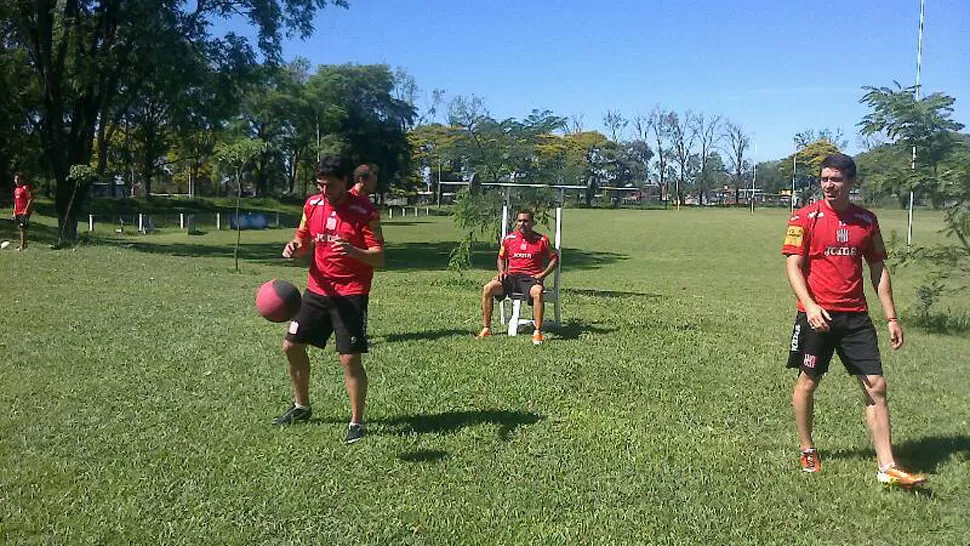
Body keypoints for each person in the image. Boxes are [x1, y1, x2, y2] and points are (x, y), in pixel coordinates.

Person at [782, 153, 926, 487]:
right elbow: (793, 266)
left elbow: (878, 269)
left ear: (851, 182)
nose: (828, 185)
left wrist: (891, 316)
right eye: (824, 179)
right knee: (808, 382)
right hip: (816, 316)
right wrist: (810, 306)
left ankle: (886, 465)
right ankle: (807, 448)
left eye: (836, 179)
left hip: (856, 317)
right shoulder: (804, 218)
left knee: (877, 385)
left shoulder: (866, 221)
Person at [276, 155, 385, 444]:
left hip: (351, 293)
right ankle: (302, 406)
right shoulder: (312, 205)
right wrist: (293, 248)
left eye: (332, 186)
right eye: (321, 185)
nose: (326, 191)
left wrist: (353, 251)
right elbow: (303, 242)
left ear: (346, 182)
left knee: (349, 358)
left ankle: (357, 422)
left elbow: (379, 257)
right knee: (290, 346)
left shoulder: (365, 211)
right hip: (317, 289)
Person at [476, 209, 558, 345]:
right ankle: (486, 328)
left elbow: (555, 258)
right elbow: (501, 258)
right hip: (511, 278)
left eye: (526, 221)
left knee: (537, 292)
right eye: (520, 221)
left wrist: (542, 275)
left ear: (532, 223)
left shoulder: (542, 240)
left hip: (530, 278)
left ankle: (537, 332)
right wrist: (502, 271)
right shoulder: (509, 239)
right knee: (488, 288)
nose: (522, 224)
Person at [12, 172, 34, 251]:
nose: (16, 181)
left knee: (23, 227)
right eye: (15, 179)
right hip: (18, 211)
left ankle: (22, 245)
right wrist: (14, 211)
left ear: (22, 180)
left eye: (18, 179)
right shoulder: (16, 190)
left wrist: (26, 210)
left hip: (24, 211)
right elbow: (16, 201)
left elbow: (30, 199)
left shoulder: (25, 188)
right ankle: (24, 244)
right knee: (21, 228)